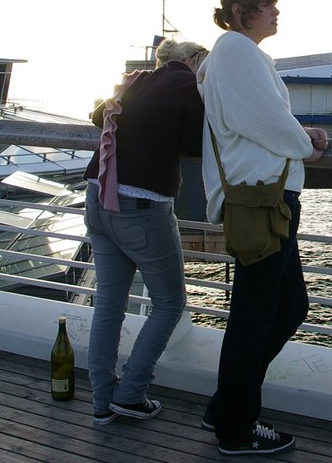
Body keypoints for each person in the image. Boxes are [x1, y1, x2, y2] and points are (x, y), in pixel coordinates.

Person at [196, 0, 328, 456]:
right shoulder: (235, 51)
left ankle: (227, 405)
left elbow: (259, 118)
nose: (276, 12)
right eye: (265, 4)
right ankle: (235, 427)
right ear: (237, 10)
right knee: (254, 316)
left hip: (265, 199)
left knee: (288, 308)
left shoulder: (235, 54)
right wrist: (305, 147)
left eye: (274, 4)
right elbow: (262, 121)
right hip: (261, 199)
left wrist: (299, 132)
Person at [84, 39, 208, 426]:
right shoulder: (190, 87)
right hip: (140, 208)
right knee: (169, 304)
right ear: (190, 62)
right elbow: (194, 144)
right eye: (202, 64)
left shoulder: (134, 81)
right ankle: (132, 393)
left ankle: (103, 401)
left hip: (98, 197)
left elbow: (96, 117)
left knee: (108, 306)